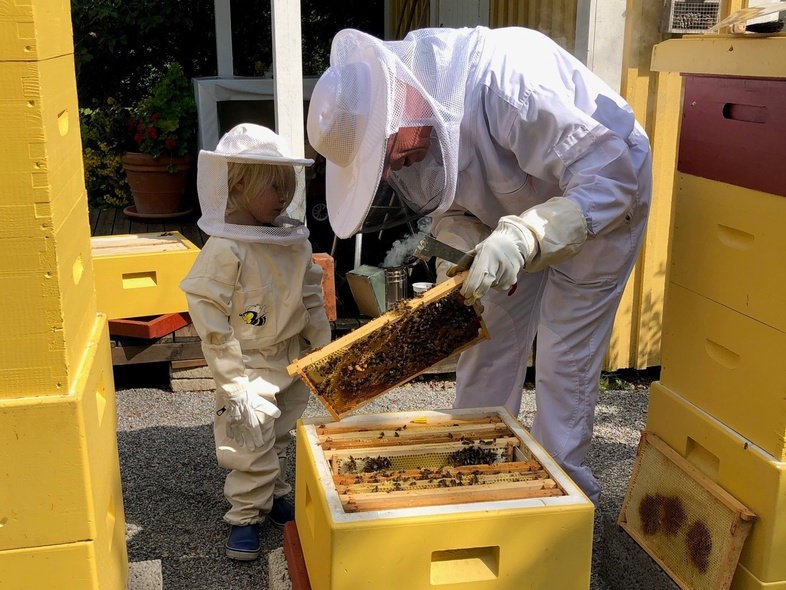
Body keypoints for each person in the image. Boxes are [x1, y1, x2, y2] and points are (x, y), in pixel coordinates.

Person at [306, 26, 652, 507]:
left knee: (564, 354)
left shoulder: (507, 84)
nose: (389, 167)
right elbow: (457, 199)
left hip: (604, 195)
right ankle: (475, 469)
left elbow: (612, 178)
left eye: (384, 151)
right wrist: (470, 245)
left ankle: (561, 503)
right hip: (515, 212)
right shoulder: (425, 117)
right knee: (487, 334)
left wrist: (526, 235)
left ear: (398, 99)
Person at [180, 123, 331, 560]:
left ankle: (275, 492)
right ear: (240, 184)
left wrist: (323, 350)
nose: (283, 198)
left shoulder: (292, 241)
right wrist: (232, 382)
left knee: (280, 433)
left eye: (288, 188)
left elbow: (310, 296)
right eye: (273, 189)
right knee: (247, 439)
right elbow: (209, 316)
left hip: (289, 358)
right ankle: (245, 515)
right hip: (246, 363)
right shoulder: (226, 248)